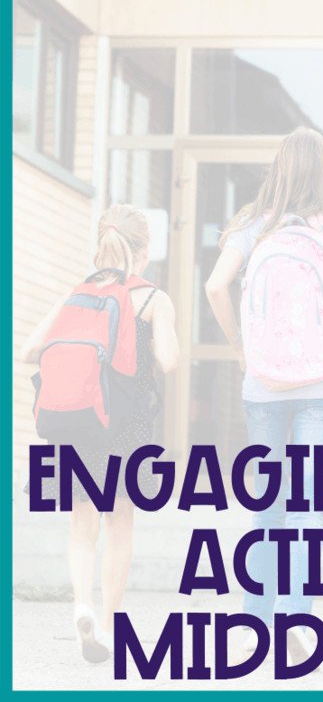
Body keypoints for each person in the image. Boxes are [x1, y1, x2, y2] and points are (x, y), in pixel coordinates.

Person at [205, 127, 323, 661]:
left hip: (263, 385)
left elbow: (215, 286)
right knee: (306, 504)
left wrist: (240, 343)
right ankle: (295, 615)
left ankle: (254, 618)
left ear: (279, 168)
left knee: (267, 501)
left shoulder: (253, 227)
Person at [21, 204, 179, 664]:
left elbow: (32, 350)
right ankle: (109, 626)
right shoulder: (152, 298)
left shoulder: (77, 295)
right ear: (144, 251)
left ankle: (81, 608)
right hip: (124, 429)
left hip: (75, 422)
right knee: (119, 526)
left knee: (80, 527)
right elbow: (168, 361)